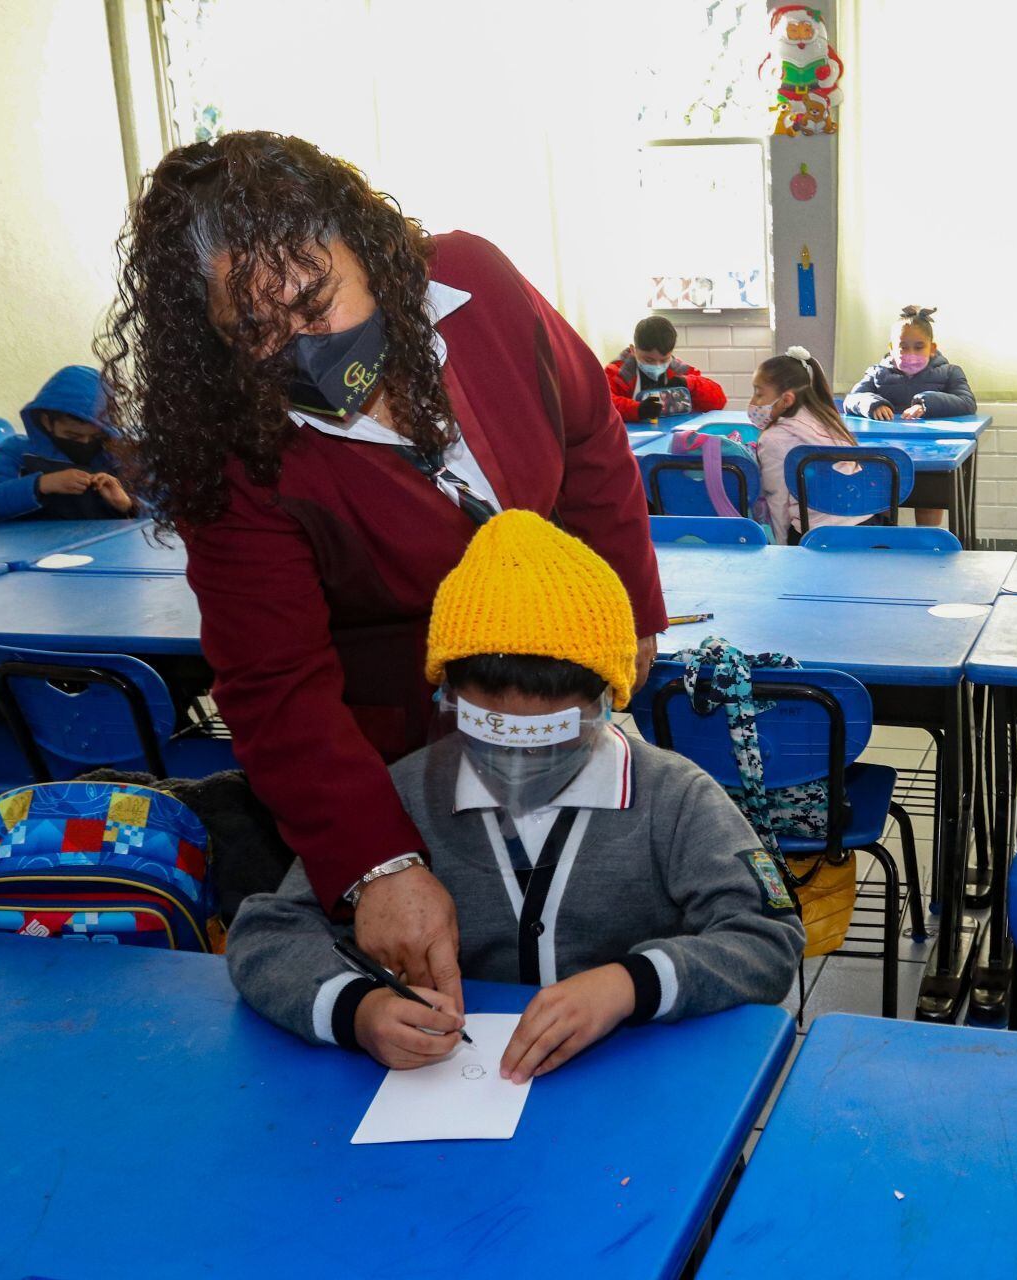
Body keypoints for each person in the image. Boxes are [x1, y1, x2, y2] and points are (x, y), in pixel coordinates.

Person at [98, 132, 667, 1017]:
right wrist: (379, 864)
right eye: (255, 329)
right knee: (461, 994)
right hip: (407, 756)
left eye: (313, 300)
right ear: (214, 341)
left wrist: (626, 609)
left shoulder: (479, 287)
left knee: (592, 940)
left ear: (366, 247)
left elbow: (590, 432)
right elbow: (273, 680)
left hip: (570, 688)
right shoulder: (237, 459)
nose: (299, 343)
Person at [226, 510, 802, 1078]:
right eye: (491, 737)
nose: (523, 767)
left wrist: (630, 984)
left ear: (608, 700)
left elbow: (768, 938)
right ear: (446, 698)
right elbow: (267, 935)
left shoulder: (675, 799)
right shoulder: (397, 798)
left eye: (555, 740)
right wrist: (358, 1009)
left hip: (631, 1091)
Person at [843, 305, 975, 528]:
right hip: (886, 455)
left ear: (932, 348)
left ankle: (926, 543)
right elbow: (851, 400)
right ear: (891, 348)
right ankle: (884, 545)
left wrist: (926, 402)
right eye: (903, 347)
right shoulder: (877, 373)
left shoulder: (950, 372)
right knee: (881, 501)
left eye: (918, 347)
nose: (910, 354)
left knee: (929, 502)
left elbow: (967, 402)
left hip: (931, 456)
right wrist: (874, 404)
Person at [0, 365, 138, 521]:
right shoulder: (17, 451)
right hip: (36, 545)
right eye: (73, 436)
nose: (85, 443)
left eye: (96, 437)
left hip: (110, 544)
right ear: (46, 421)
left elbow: (158, 511)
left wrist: (127, 505)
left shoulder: (119, 454)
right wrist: (41, 484)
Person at [749, 347, 865, 543]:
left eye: (759, 394)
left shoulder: (774, 439)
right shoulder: (825, 418)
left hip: (817, 537)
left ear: (786, 400)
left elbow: (777, 501)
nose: (753, 402)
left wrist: (782, 548)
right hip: (865, 525)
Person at [604, 315, 727, 424]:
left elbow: (718, 401)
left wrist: (690, 383)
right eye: (648, 360)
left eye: (664, 360)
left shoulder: (678, 369)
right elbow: (603, 404)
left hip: (671, 433)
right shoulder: (617, 372)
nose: (657, 365)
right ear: (633, 350)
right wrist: (638, 409)